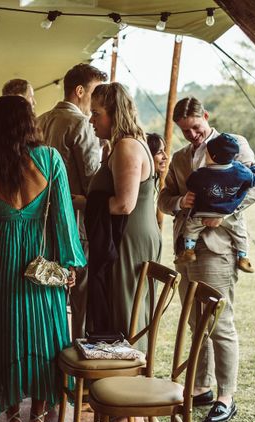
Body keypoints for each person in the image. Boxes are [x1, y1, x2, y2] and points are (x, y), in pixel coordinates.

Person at [0, 95, 86, 422]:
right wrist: (69, 262)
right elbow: (63, 217)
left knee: (7, 337)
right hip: (40, 266)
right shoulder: (50, 159)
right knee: (46, 340)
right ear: (30, 122)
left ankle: (13, 421)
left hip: (2, 264)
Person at [158, 96, 255, 422]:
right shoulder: (178, 158)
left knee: (220, 322)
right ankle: (202, 387)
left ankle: (226, 395)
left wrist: (225, 210)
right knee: (195, 323)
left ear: (206, 116)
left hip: (219, 247)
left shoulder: (235, 145)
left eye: (196, 127)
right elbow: (164, 199)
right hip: (185, 247)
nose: (192, 134)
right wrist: (179, 200)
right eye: (185, 130)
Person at [83, 82, 161, 342]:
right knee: (122, 303)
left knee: (128, 307)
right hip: (127, 233)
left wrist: (83, 203)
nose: (91, 120)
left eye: (96, 113)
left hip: (129, 236)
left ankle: (128, 369)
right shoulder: (119, 145)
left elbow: (124, 204)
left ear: (115, 114)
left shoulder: (127, 146)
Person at [37, 63, 106, 340]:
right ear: (80, 91)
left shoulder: (41, 120)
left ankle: (50, 354)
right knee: (80, 300)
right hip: (76, 224)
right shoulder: (79, 123)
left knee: (49, 292)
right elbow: (92, 181)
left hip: (42, 223)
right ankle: (77, 361)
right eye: (95, 93)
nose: (98, 101)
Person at [176, 133, 255, 273]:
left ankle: (189, 250)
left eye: (207, 153)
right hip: (228, 213)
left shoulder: (201, 173)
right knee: (240, 233)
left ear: (213, 157)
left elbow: (190, 184)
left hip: (202, 212)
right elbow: (254, 179)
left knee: (191, 228)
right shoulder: (239, 170)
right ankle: (243, 257)